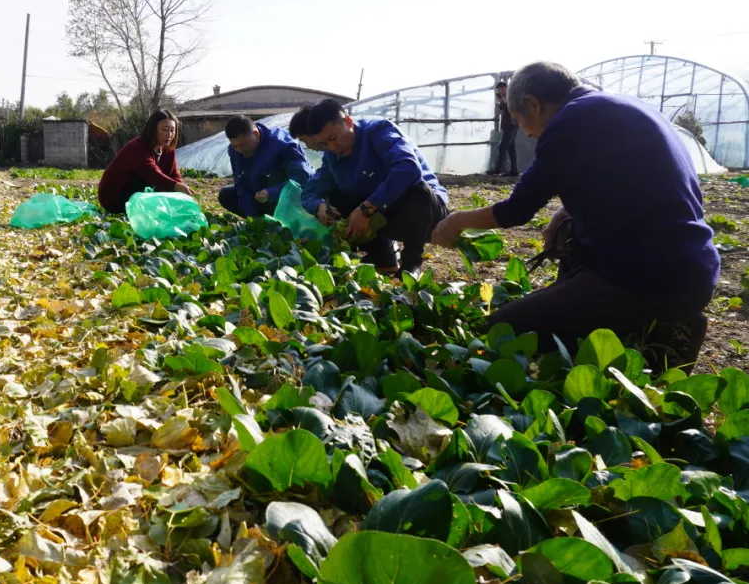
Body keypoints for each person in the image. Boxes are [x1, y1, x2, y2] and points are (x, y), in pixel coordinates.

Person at [431, 61, 719, 368]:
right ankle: (665, 322)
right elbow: (630, 182)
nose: (527, 134)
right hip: (693, 273)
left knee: (501, 331)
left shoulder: (569, 122)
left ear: (533, 105)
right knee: (573, 255)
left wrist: (456, 221)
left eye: (519, 121)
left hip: (642, 278)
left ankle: (662, 325)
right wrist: (564, 210)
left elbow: (516, 210)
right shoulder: (619, 107)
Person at [301, 99, 449, 274]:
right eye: (324, 143)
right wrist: (319, 207)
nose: (332, 147)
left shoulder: (378, 131)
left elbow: (408, 169)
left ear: (348, 122)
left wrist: (366, 208)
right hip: (385, 216)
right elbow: (310, 192)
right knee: (335, 197)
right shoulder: (332, 157)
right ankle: (383, 256)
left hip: (427, 214)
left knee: (416, 190)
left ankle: (412, 262)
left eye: (333, 138)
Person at [97, 109, 193, 214]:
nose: (169, 135)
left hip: (138, 193)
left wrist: (184, 194)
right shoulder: (137, 147)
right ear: (153, 129)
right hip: (114, 196)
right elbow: (152, 172)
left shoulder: (168, 149)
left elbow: (174, 175)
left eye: (172, 130)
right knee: (150, 182)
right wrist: (176, 186)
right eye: (165, 129)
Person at [218, 115, 314, 217]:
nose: (239, 150)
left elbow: (301, 180)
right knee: (227, 195)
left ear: (256, 134)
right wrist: (252, 216)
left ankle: (287, 220)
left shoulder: (283, 144)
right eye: (235, 146)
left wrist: (271, 193)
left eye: (243, 145)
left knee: (274, 178)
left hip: (287, 198)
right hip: (261, 196)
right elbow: (241, 184)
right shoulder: (234, 151)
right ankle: (263, 222)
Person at [490, 81, 519, 176]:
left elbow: (512, 108)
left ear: (506, 88)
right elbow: (503, 108)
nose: (501, 91)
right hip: (507, 125)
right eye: (499, 90)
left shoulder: (512, 96)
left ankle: (499, 169)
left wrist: (505, 102)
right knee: (511, 149)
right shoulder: (504, 97)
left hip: (512, 125)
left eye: (502, 89)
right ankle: (514, 170)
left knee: (503, 147)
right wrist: (501, 101)